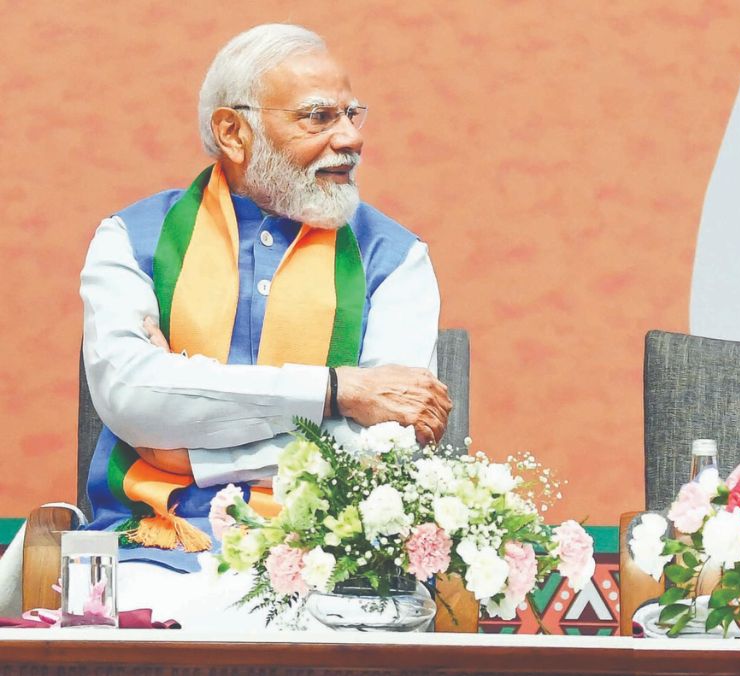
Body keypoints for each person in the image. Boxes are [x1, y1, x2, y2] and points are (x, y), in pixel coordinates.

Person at [0, 23, 451, 626]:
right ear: (234, 132)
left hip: (332, 568)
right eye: (318, 118)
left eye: (352, 114)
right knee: (153, 654)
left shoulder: (394, 258)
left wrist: (178, 441)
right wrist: (337, 393)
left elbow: (380, 447)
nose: (351, 138)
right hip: (157, 549)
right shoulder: (131, 241)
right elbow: (132, 397)